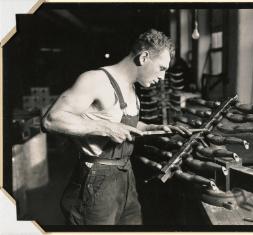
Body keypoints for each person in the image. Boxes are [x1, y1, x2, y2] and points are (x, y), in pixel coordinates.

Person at [42, 29, 191, 225]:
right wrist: (106, 128)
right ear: (144, 57)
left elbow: (122, 123)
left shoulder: (131, 88)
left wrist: (153, 128)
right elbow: (51, 120)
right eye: (162, 68)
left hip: (125, 176)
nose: (163, 77)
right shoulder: (95, 80)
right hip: (97, 182)